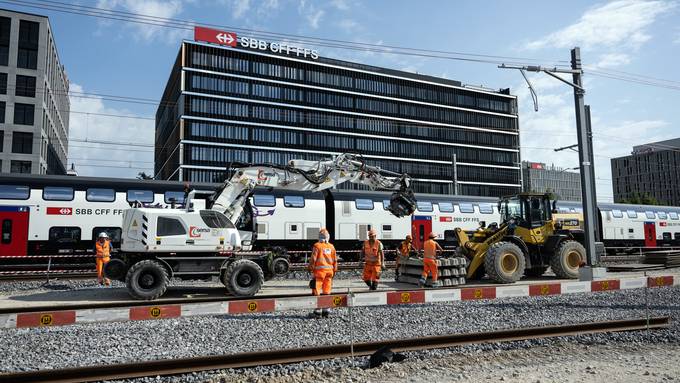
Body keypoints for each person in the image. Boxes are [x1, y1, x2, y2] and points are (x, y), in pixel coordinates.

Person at [308, 227, 337, 318]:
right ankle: (326, 310)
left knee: (316, 291)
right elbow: (335, 260)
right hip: (329, 273)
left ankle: (317, 312)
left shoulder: (317, 246)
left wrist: (310, 268)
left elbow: (313, 259)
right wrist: (334, 270)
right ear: (328, 237)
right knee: (327, 291)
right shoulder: (331, 247)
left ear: (319, 237)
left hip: (319, 273)